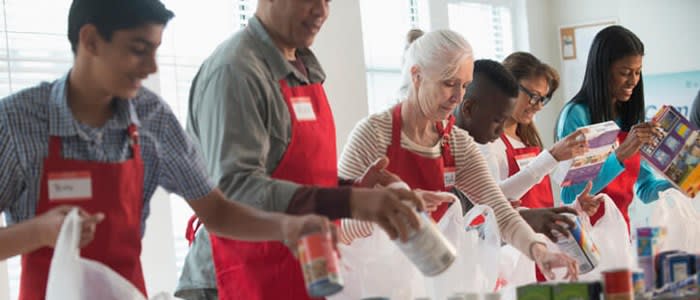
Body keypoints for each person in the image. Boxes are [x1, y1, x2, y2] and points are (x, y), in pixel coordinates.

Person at [0, 0, 339, 300]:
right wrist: (38, 232)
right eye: (138, 49)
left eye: (156, 50)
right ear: (90, 40)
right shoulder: (18, 123)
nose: (151, 68)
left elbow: (217, 212)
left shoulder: (152, 119)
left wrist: (286, 227)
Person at [178, 1, 425, 300]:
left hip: (300, 268)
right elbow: (234, 190)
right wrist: (351, 201)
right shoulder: (237, 71)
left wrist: (353, 188)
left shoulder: (304, 69)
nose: (321, 10)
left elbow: (290, 172)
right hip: (235, 276)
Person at [337, 29, 578, 281]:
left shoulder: (456, 143)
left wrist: (539, 252)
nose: (458, 97)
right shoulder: (373, 135)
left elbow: (499, 210)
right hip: (376, 281)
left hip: (433, 280)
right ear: (417, 76)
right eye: (449, 83)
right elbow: (335, 227)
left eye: (464, 86)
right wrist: (388, 210)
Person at [454, 59, 602, 236]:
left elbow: (537, 206)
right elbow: (490, 201)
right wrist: (551, 157)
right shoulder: (484, 140)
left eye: (542, 99)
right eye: (533, 96)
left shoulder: (528, 140)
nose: (538, 105)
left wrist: (571, 209)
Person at [556, 25, 671, 229]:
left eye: (638, 73)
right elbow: (570, 195)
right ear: (602, 70)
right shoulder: (577, 116)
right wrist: (622, 152)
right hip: (586, 238)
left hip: (619, 235)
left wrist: (684, 182)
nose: (633, 81)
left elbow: (646, 189)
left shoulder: (628, 117)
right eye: (625, 73)